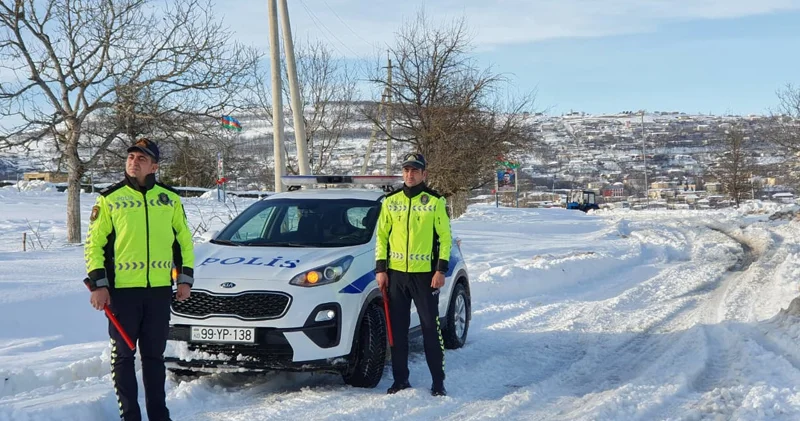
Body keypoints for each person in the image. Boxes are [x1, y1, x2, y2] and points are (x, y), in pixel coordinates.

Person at [84, 138, 194, 421]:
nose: (133, 162)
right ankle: (130, 416)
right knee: (122, 357)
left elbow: (183, 241)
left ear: (154, 166)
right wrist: (99, 285)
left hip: (158, 292)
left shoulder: (169, 198)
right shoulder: (109, 199)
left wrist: (184, 279)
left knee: (154, 359)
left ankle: (159, 416)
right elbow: (94, 245)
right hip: (121, 294)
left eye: (141, 159)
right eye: (131, 157)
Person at [375, 152, 452, 397]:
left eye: (415, 170)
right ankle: (400, 380)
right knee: (398, 331)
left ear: (424, 174)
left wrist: (440, 270)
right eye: (407, 170)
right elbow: (382, 237)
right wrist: (381, 270)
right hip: (397, 276)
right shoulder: (390, 201)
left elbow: (445, 238)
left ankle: (438, 382)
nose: (410, 174)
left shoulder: (434, 201)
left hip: (425, 277)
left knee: (431, 328)